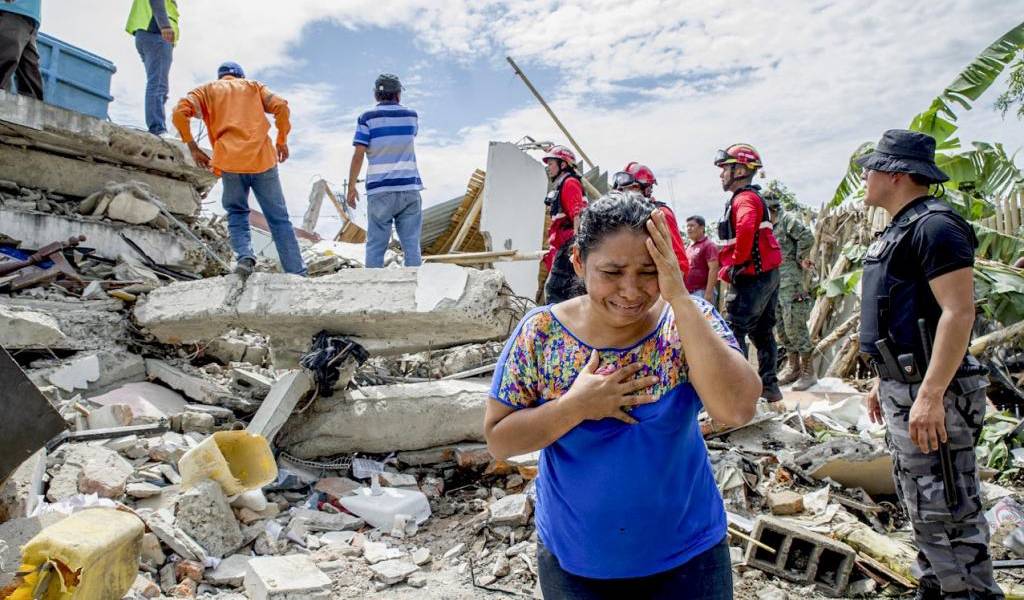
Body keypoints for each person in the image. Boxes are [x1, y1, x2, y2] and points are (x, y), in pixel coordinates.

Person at [484, 190, 760, 600]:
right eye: (612, 272)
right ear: (578, 262)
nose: (631, 291)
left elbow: (736, 409)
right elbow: (500, 440)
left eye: (648, 271)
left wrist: (680, 298)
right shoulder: (540, 334)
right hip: (577, 567)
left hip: (690, 560)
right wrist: (575, 406)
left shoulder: (685, 322)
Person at [859, 129, 1000, 600]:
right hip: (907, 388)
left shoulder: (935, 226)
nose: (865, 176)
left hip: (933, 393)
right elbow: (906, 312)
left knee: (948, 507)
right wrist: (886, 380)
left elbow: (959, 312)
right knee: (922, 503)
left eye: (872, 167)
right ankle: (937, 588)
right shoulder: (901, 228)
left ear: (896, 175)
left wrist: (931, 393)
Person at [172, 62, 306, 277]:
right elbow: (281, 106)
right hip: (262, 159)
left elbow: (179, 111)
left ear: (221, 76)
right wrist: (281, 140)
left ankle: (245, 257)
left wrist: (192, 146)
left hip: (230, 160)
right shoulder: (254, 87)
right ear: (241, 76)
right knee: (279, 219)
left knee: (237, 212)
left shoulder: (206, 90)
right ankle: (297, 272)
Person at [714, 144, 784, 402]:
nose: (721, 175)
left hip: (751, 276)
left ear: (740, 170)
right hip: (767, 274)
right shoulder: (753, 198)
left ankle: (739, 392)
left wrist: (734, 264)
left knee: (734, 330)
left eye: (725, 169)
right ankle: (769, 388)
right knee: (763, 332)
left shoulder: (743, 199)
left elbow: (745, 228)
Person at [346, 73, 423, 268]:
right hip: (409, 188)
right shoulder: (410, 116)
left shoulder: (366, 118)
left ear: (376, 96)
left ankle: (373, 289)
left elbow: (358, 155)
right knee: (411, 245)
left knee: (376, 245)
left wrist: (352, 186)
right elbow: (411, 134)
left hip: (379, 191)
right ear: (398, 94)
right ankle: (415, 289)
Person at [766, 191, 817, 390]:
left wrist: (799, 257)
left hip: (791, 283)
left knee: (795, 325)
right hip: (776, 284)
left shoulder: (787, 220)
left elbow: (807, 237)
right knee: (782, 327)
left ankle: (808, 372)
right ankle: (793, 367)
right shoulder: (769, 226)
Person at [611, 162, 689, 275]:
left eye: (632, 188)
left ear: (646, 189)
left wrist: (669, 291)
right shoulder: (622, 218)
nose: (624, 195)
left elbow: (680, 264)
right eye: (622, 190)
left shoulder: (661, 214)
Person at [541, 145, 587, 303]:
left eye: (551, 163)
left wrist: (577, 248)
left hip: (569, 247)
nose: (548, 168)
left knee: (555, 292)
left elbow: (579, 215)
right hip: (565, 248)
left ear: (563, 164)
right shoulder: (563, 184)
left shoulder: (570, 183)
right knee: (567, 295)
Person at [126, 0, 178, 136]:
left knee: (159, 84)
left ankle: (158, 125)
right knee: (158, 84)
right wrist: (165, 26)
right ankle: (157, 128)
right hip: (156, 34)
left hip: (147, 36)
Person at [0, 0, 43, 100]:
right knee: (5, 64)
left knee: (32, 88)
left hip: (29, 17)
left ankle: (31, 113)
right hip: (12, 10)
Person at [684, 215, 720, 303]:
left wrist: (708, 293)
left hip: (702, 292)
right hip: (689, 293)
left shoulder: (709, 245)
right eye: (687, 226)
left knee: (704, 317)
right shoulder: (689, 247)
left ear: (702, 228)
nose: (689, 228)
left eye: (692, 226)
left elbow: (714, 269)